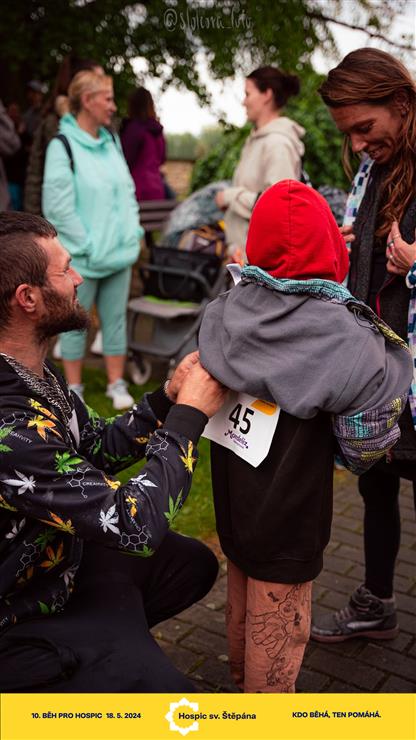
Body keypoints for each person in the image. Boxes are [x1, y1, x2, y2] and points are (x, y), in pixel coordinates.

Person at [198, 180, 412, 692]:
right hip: (291, 517)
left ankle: (240, 685)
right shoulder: (346, 336)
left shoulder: (227, 310)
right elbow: (366, 440)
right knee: (278, 636)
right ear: (331, 247)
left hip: (234, 503)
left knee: (242, 603)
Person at [0, 211, 226, 692]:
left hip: (57, 571)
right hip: (17, 616)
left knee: (190, 564)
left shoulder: (30, 372)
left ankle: (115, 649)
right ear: (28, 299)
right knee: (173, 708)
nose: (79, 279)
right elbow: (132, 523)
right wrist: (189, 418)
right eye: (65, 270)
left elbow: (96, 446)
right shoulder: (10, 427)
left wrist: (167, 398)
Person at [311, 48, 416, 643]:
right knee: (375, 483)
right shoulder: (374, 168)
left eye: (364, 127)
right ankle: (377, 601)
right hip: (375, 370)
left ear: (400, 103)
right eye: (348, 132)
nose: (356, 144)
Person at [42, 70, 140, 409]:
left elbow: (127, 191)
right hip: (84, 258)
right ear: (87, 100)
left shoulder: (112, 141)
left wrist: (133, 233)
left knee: (116, 321)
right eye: (108, 99)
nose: (113, 106)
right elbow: (58, 207)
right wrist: (87, 247)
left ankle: (116, 384)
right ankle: (74, 390)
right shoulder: (62, 145)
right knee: (73, 323)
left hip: (120, 254)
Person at [215, 66, 304, 261]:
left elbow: (279, 208)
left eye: (248, 94)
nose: (243, 102)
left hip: (260, 265)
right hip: (244, 260)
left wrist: (230, 197)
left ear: (267, 95)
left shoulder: (278, 144)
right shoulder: (257, 140)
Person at [24, 55, 104, 215]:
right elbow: (36, 178)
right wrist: (35, 224)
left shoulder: (104, 127)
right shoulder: (54, 124)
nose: (105, 87)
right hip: (64, 219)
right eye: (98, 81)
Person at [120, 87, 168, 202]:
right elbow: (162, 158)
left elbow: (124, 160)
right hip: (157, 189)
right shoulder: (157, 131)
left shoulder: (133, 130)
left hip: (135, 189)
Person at [0, 99, 20, 211]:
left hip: (14, 178)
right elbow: (12, 144)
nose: (14, 114)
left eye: (16, 111)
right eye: (11, 111)